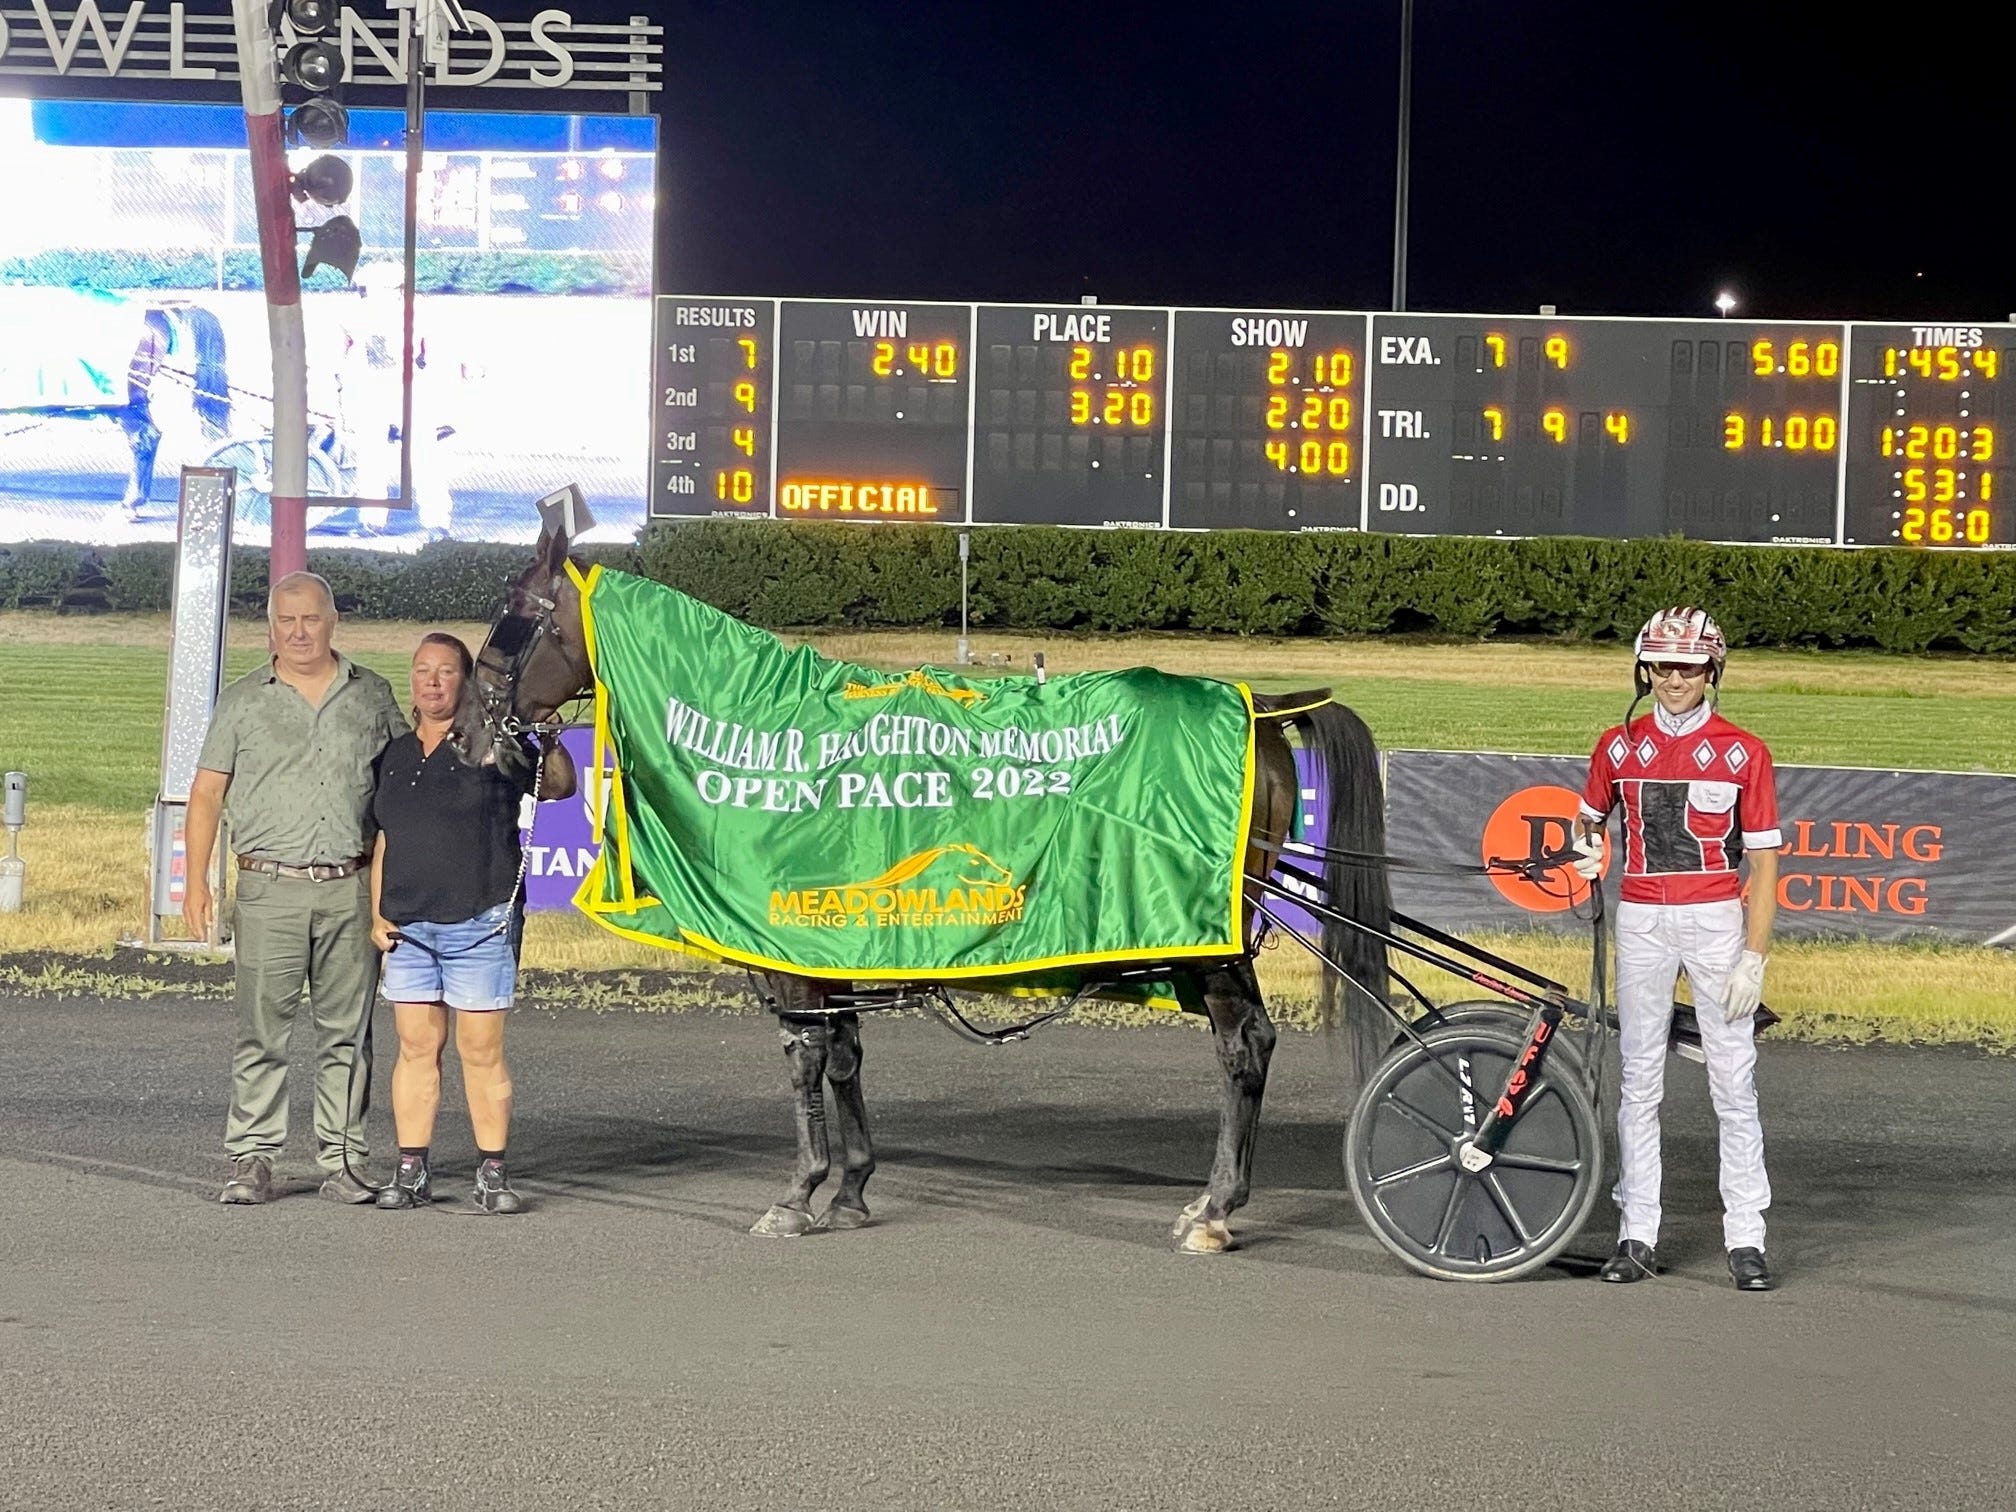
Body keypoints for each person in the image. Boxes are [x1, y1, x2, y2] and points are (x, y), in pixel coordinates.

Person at [1573, 606, 1782, 1291]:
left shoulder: (1744, 751)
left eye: (1689, 667)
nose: (1674, 679)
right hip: (1641, 918)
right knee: (1639, 1082)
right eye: (1663, 666)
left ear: (1712, 670)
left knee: (1732, 1079)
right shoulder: (1615, 746)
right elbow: (1587, 820)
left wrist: (1754, 955)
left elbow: (1766, 867)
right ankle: (1637, 1234)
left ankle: (1747, 1236)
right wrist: (1585, 854)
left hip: (1717, 921)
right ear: (1645, 669)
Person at [185, 572, 408, 1205]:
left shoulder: (372, 695)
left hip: (350, 887)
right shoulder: (243, 700)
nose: (299, 632)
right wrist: (196, 881)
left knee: (349, 1031)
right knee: (262, 1030)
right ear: (270, 628)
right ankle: (252, 1157)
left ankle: (344, 1159)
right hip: (268, 887)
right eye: (286, 621)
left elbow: (404, 784)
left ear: (333, 620)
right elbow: (207, 792)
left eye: (311, 619)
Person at [368, 632, 575, 1214]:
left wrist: (549, 737)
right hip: (410, 926)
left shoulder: (495, 750)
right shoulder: (396, 755)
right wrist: (376, 912)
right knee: (415, 1049)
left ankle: (492, 1173)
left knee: (479, 1051)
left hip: (481, 919)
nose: (431, 682)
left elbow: (557, 785)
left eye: (445, 672)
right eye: (421, 671)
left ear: (465, 682)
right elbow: (385, 837)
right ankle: (410, 1169)